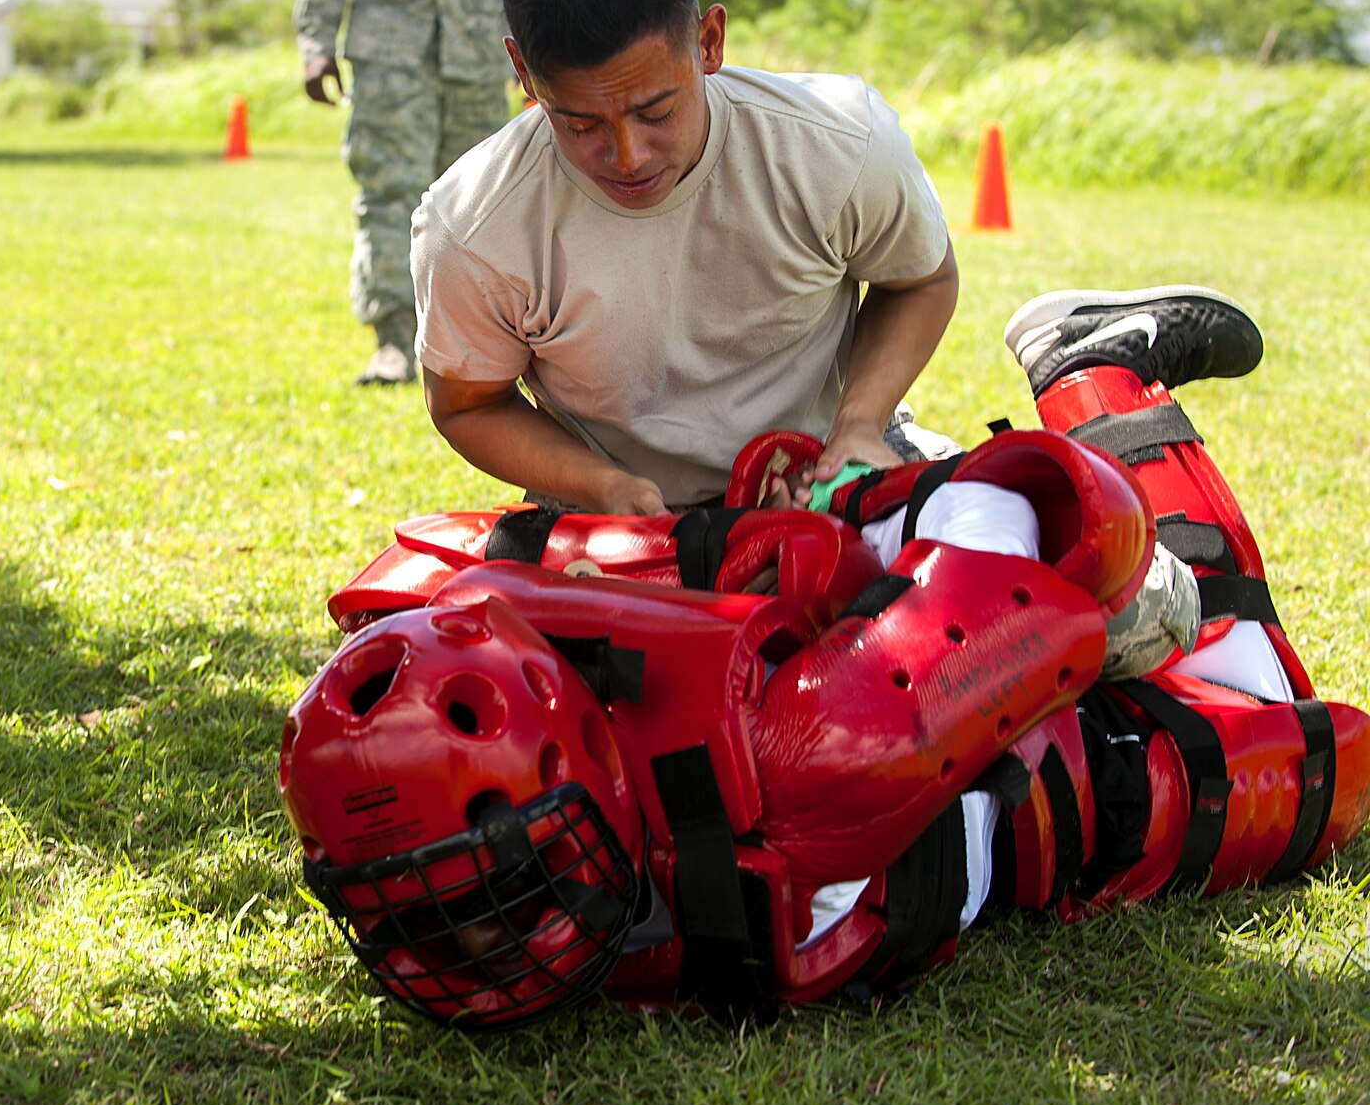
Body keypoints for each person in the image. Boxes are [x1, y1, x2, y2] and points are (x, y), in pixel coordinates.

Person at [279, 287, 1369, 1030]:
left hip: (952, 696)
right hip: (994, 782)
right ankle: (1095, 371)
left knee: (1234, 679)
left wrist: (862, 530)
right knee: (1276, 728)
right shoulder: (475, 622)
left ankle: (1086, 379)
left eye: (493, 878)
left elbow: (1037, 505)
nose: (478, 935)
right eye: (441, 904)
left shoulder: (800, 747)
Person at [413, 0, 957, 510]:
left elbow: (920, 281)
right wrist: (606, 487)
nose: (628, 156)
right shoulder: (473, 226)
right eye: (581, 124)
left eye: (656, 111)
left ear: (709, 41)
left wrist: (857, 426)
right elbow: (468, 403)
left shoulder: (839, 146)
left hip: (833, 478)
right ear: (524, 73)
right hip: (619, 532)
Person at [294, 0, 554, 386]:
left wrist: (548, 45)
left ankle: (476, 347)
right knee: (389, 191)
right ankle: (393, 340)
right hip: (391, 51)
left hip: (483, 50)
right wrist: (316, 38)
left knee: (482, 204)